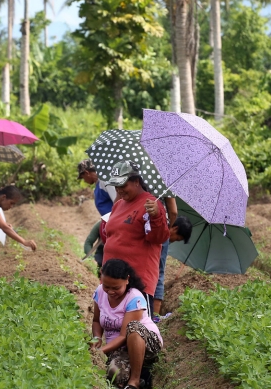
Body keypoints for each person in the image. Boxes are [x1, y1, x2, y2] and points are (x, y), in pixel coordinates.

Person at [101, 161, 170, 316]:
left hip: (137, 283)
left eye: (123, 185)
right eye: (116, 186)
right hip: (114, 282)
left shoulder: (151, 205)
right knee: (115, 329)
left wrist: (156, 216)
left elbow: (159, 238)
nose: (119, 190)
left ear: (136, 181)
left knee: (138, 332)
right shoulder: (119, 204)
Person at [91, 259, 163, 389]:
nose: (110, 291)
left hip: (146, 344)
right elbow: (96, 320)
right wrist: (96, 338)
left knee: (133, 327)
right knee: (114, 373)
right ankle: (136, 379)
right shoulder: (99, 292)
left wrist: (100, 351)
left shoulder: (134, 298)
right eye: (107, 286)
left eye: (116, 288)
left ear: (127, 280)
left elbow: (123, 335)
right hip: (119, 348)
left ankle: (134, 381)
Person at [153, 216, 193, 318]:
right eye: (177, 238)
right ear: (175, 229)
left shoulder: (154, 228)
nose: (174, 241)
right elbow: (159, 270)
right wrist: (158, 296)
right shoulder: (164, 237)